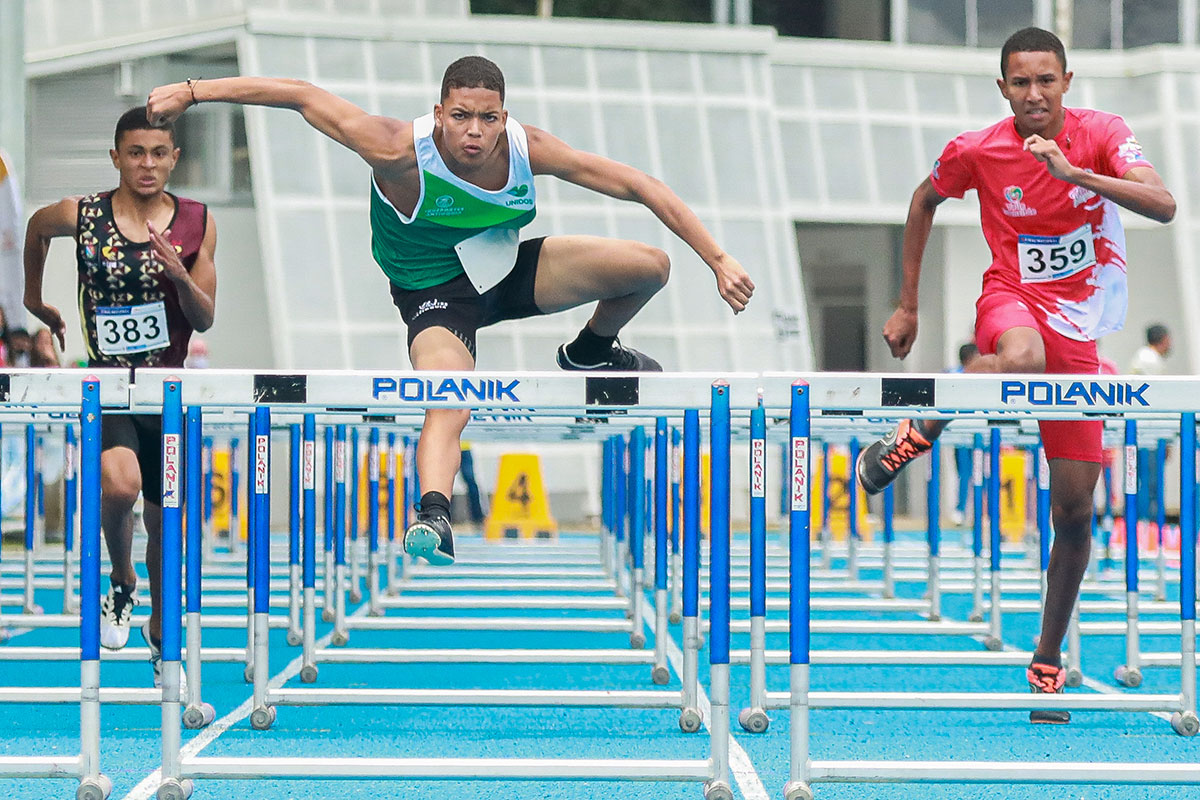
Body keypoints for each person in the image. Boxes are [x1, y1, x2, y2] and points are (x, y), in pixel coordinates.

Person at [147, 56, 753, 567]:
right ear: (439, 115)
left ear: (504, 120)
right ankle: (435, 515)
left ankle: (591, 351)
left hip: (507, 272)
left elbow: (640, 184)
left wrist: (718, 258)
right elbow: (302, 96)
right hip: (435, 296)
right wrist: (194, 92)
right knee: (449, 393)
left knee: (649, 265)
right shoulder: (395, 150)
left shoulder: (526, 149)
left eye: (488, 118)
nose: (474, 132)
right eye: (461, 116)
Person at [854, 27, 1174, 723]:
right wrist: (908, 304)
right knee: (1019, 361)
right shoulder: (978, 149)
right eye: (1020, 82)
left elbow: (1163, 203)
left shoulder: (1102, 134)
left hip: (1080, 328)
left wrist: (1077, 176)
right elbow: (922, 201)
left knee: (1075, 510)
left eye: (1045, 81)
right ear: (1003, 89)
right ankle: (925, 421)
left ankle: (1049, 656)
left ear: (1067, 82)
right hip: (1012, 301)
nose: (1034, 94)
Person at [23, 106, 218, 688]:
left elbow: (205, 320)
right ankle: (121, 580)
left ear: (174, 158)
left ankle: (160, 630)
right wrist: (35, 301)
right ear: (116, 158)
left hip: (170, 394)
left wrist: (179, 276)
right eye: (136, 153)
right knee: (119, 482)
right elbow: (33, 227)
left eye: (159, 153)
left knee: (165, 524)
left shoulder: (196, 222)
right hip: (109, 386)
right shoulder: (83, 216)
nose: (148, 164)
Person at [949, 342, 980, 527]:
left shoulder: (980, 375)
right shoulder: (955, 375)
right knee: (965, 472)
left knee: (977, 473)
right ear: (969, 359)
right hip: (961, 431)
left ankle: (977, 510)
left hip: (978, 431)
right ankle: (961, 509)